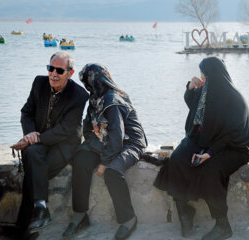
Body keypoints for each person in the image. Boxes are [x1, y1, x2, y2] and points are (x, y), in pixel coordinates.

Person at [153, 57, 249, 240]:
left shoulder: (233, 99)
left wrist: (210, 153)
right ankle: (184, 211)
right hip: (205, 139)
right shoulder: (205, 92)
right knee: (176, 160)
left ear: (213, 74)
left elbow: (232, 134)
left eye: (204, 74)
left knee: (209, 171)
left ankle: (223, 225)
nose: (202, 78)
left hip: (235, 147)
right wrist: (190, 88)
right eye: (201, 74)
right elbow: (194, 107)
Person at [62, 63, 147, 240]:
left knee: (112, 172)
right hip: (105, 141)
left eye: (88, 81)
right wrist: (98, 148)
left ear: (98, 80)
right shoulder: (95, 100)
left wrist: (104, 161)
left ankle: (129, 219)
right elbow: (88, 130)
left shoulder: (112, 100)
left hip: (129, 142)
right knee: (80, 161)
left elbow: (117, 136)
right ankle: (80, 215)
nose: (87, 85)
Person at [10, 51, 89, 237]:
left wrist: (35, 139)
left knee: (33, 168)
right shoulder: (39, 83)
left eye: (59, 70)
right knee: (32, 155)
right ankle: (39, 210)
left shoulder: (79, 96)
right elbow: (26, 112)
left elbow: (66, 129)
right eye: (50, 68)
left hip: (64, 145)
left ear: (70, 72)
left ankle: (24, 227)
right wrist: (30, 134)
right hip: (39, 143)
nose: (53, 74)